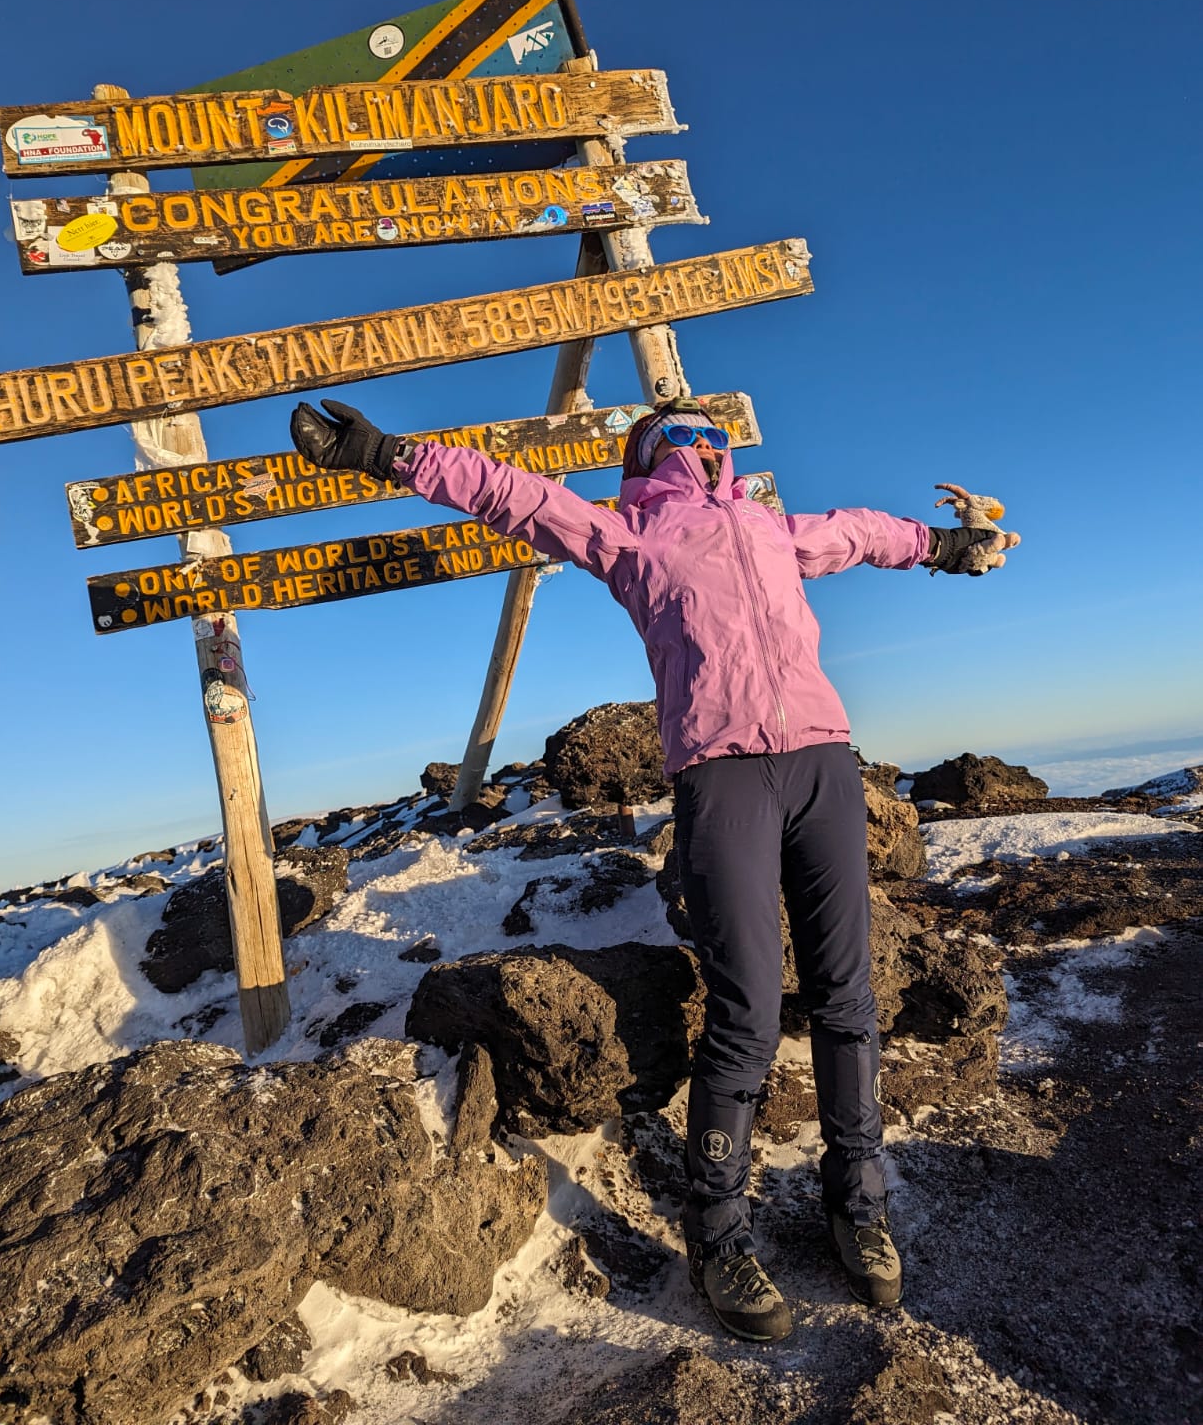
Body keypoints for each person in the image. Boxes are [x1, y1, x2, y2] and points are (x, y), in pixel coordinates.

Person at [289, 393, 1018, 1343]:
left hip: (825, 766)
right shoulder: (632, 539)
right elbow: (514, 495)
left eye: (708, 432)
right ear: (648, 457)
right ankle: (718, 1232)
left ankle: (860, 1204)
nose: (698, 440)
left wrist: (950, 547)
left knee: (847, 997)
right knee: (747, 1010)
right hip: (722, 780)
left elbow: (862, 531)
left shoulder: (772, 528)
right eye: (678, 432)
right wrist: (388, 454)